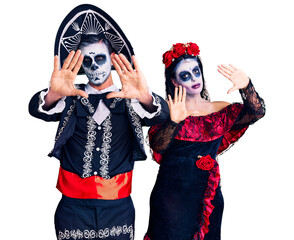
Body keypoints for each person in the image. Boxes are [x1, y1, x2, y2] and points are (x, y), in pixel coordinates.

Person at [29, 4, 169, 240]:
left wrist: (144, 96)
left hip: (118, 207)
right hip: (72, 208)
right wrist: (55, 93)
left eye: (100, 58)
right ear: (81, 65)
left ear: (112, 60)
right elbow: (37, 108)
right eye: (87, 60)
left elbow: (161, 114)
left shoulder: (131, 97)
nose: (94, 66)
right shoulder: (70, 97)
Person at [144, 43, 265, 240]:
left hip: (208, 196)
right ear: (174, 82)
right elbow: (158, 146)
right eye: (185, 75)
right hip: (171, 199)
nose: (193, 78)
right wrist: (174, 121)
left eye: (196, 71)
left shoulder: (219, 109)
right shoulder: (169, 110)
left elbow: (256, 112)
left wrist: (246, 86)